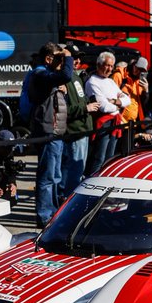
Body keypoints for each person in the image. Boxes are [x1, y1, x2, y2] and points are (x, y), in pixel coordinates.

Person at [25, 42, 76, 227]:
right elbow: (67, 75)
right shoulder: (40, 74)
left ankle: (52, 212)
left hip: (56, 132)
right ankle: (45, 215)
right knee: (47, 176)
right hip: (47, 132)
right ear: (48, 59)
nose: (63, 62)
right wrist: (68, 56)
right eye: (59, 58)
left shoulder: (50, 78)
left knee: (55, 176)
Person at [62, 46, 101, 194]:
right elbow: (64, 110)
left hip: (83, 129)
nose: (78, 61)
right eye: (74, 57)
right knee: (75, 169)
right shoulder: (64, 78)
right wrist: (86, 108)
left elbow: (80, 101)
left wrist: (88, 104)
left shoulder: (76, 76)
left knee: (78, 168)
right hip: (75, 130)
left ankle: (68, 197)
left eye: (79, 58)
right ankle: (69, 200)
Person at [84, 52, 130, 176]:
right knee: (99, 157)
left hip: (115, 121)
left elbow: (128, 100)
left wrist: (115, 101)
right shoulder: (92, 82)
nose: (110, 69)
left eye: (111, 66)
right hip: (103, 123)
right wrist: (119, 103)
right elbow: (104, 107)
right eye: (107, 65)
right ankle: (93, 183)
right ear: (99, 65)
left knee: (110, 158)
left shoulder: (110, 82)